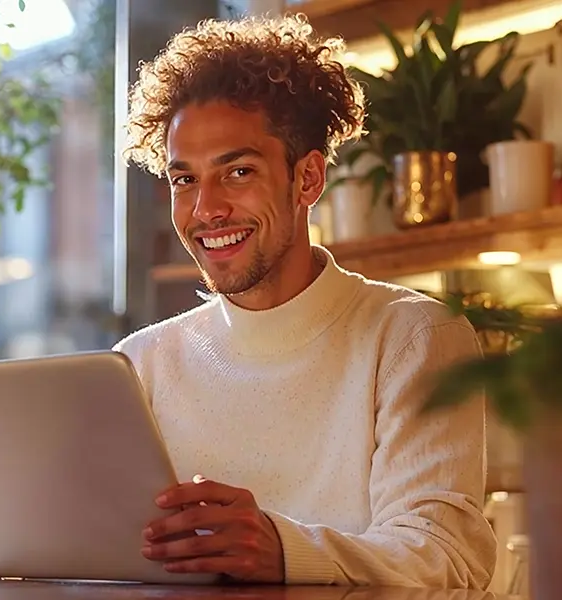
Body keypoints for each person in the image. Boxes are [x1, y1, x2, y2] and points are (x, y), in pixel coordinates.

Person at [113, 13, 496, 589]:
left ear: (308, 179)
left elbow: (447, 558)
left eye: (237, 171)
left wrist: (284, 550)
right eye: (184, 180)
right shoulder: (138, 364)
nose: (206, 210)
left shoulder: (414, 338)